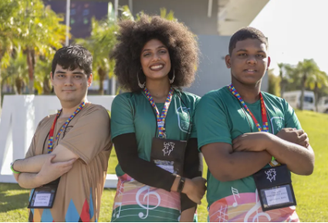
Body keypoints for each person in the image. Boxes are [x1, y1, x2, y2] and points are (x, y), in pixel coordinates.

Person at [195, 27, 315, 222]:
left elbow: (306, 164)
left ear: (267, 62)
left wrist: (268, 141)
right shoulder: (214, 102)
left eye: (259, 55)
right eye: (242, 54)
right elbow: (225, 168)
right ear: (228, 61)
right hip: (233, 213)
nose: (251, 60)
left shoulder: (281, 106)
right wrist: (279, 146)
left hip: (283, 213)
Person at [110, 15, 206, 222]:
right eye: (147, 54)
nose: (156, 58)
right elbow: (129, 161)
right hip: (132, 207)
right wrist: (184, 185)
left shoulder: (193, 103)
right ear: (136, 61)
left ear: (175, 55)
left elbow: (193, 165)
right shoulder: (125, 103)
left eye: (162, 51)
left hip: (177, 207)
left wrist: (188, 216)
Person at [11, 45, 112, 222]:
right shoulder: (46, 122)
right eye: (61, 75)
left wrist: (18, 164)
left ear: (89, 80)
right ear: (52, 79)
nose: (68, 82)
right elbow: (21, 178)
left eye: (77, 76)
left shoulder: (96, 115)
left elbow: (56, 160)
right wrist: (40, 177)